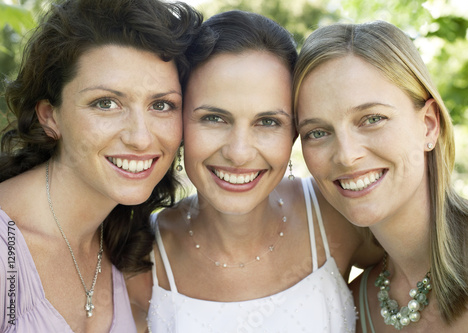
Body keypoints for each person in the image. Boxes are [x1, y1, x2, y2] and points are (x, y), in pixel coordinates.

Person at [127, 10, 381, 333]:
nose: (239, 153)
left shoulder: (337, 215)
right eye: (214, 118)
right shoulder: (140, 258)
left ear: (294, 133)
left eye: (267, 122)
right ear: (178, 124)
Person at [0, 0, 202, 331]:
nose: (140, 138)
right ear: (50, 116)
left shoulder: (128, 244)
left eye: (162, 105)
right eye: (106, 103)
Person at [293, 20, 468, 332]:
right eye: (317, 132)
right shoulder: (351, 306)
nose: (347, 156)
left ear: (429, 124)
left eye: (372, 119)